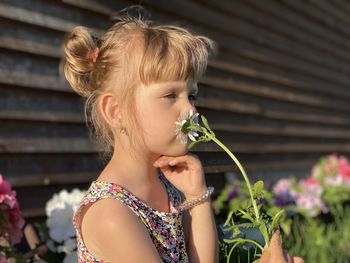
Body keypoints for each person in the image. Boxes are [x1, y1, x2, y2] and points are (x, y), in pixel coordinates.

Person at [63, 7, 303, 263]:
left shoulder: (169, 186)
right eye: (170, 96)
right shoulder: (111, 213)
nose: (190, 109)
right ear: (115, 111)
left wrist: (195, 197)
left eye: (192, 95)